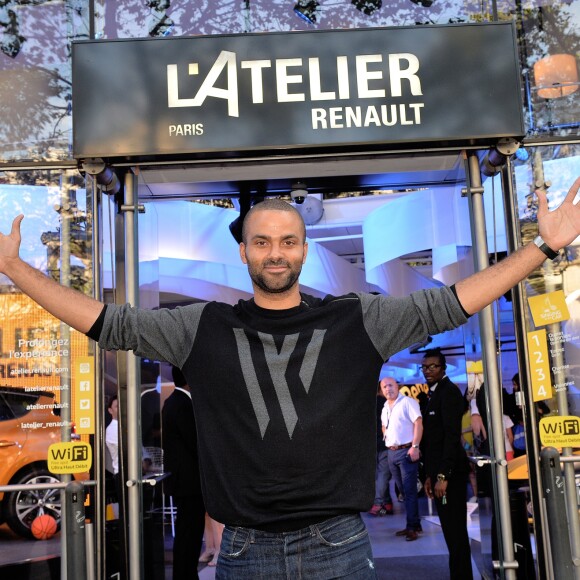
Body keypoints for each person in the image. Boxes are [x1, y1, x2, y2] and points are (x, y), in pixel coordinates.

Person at [0, 177, 578, 579]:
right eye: (262, 242)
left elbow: (451, 303)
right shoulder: (199, 327)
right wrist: (16, 269)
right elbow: (107, 323)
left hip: (342, 547)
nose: (275, 253)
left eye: (288, 241)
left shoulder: (359, 319)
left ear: (304, 248)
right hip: (243, 549)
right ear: (245, 253)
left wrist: (543, 247)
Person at [421, 349, 473, 580]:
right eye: (425, 367)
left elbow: (452, 437)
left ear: (443, 368)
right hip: (439, 475)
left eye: (433, 366)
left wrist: (443, 476)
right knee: (451, 533)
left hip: (450, 478)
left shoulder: (449, 393)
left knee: (456, 532)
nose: (428, 370)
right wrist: (429, 476)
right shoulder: (435, 394)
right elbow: (432, 440)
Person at [162, 366, 206, 580]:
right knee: (190, 532)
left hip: (183, 481)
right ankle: (186, 574)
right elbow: (194, 442)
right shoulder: (182, 404)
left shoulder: (173, 402)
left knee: (187, 531)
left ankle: (185, 573)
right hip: (189, 482)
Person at [381, 377, 423, 541]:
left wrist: (415, 446)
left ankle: (412, 527)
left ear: (397, 386)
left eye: (390, 385)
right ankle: (413, 524)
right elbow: (384, 425)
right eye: (384, 387)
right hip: (391, 452)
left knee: (410, 491)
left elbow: (418, 423)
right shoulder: (385, 406)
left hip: (406, 451)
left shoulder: (408, 402)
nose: (387, 389)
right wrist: (387, 437)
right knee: (404, 493)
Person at [368, 380, 393, 517]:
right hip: (385, 443)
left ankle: (386, 503)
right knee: (383, 474)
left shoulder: (370, 404)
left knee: (379, 475)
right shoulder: (386, 403)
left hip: (373, 444)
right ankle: (380, 504)